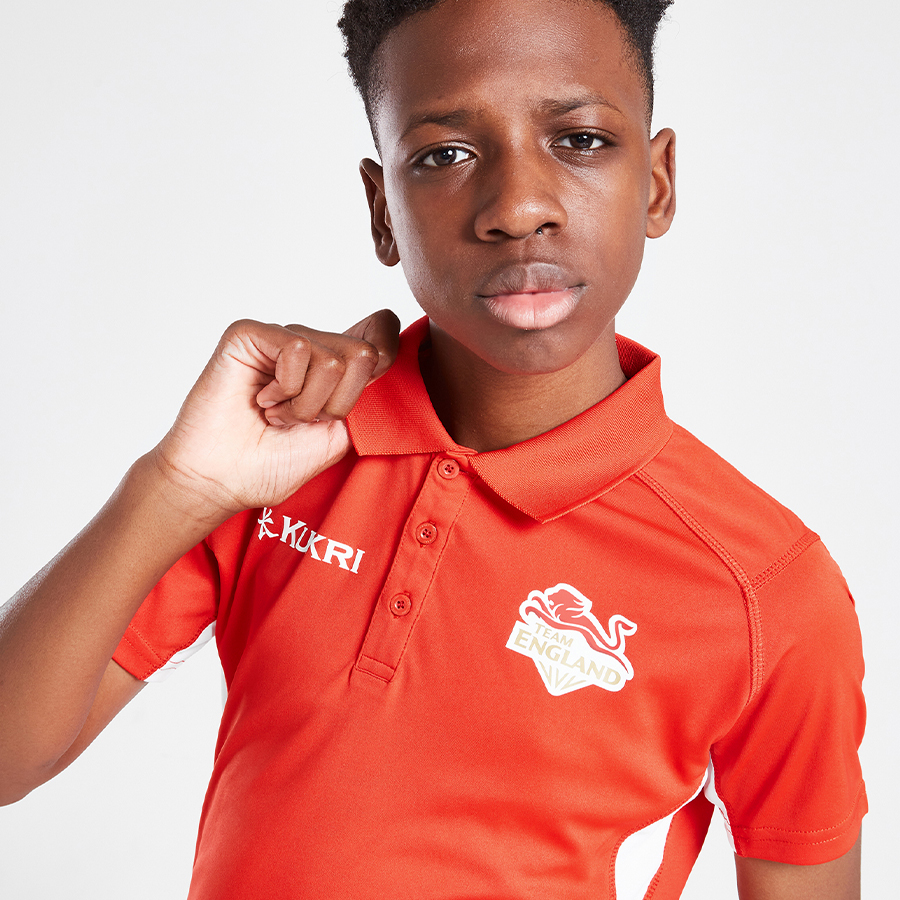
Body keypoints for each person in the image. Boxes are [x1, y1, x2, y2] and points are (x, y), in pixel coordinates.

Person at [0, 0, 866, 897]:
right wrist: (177, 486)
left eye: (579, 141)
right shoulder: (279, 455)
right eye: (446, 155)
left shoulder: (764, 587)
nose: (518, 208)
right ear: (383, 211)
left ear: (656, 184)